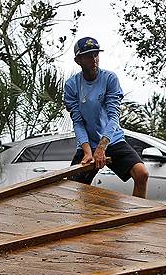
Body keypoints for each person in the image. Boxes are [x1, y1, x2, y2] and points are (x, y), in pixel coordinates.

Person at [64, 36, 150, 198]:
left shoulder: (109, 79)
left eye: (96, 54)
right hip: (88, 144)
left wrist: (102, 147)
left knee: (141, 174)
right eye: (89, 56)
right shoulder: (71, 85)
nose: (94, 59)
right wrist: (88, 152)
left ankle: (137, 218)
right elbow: (78, 122)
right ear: (79, 60)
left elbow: (113, 117)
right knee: (73, 188)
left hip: (112, 139)